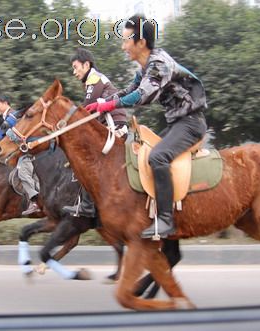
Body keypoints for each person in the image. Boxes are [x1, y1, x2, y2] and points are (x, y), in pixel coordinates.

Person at [85, 15, 208, 238]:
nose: (123, 47)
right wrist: (101, 104)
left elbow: (142, 96)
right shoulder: (144, 68)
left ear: (141, 42)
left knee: (157, 158)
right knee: (142, 154)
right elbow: (127, 91)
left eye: (126, 41)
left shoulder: (159, 64)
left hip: (190, 124)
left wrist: (110, 104)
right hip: (176, 123)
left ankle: (165, 220)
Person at [61, 48, 128, 218]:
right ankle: (89, 204)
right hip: (111, 124)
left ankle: (89, 205)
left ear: (86, 64)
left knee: (87, 159)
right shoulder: (93, 80)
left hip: (114, 127)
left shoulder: (94, 79)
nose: (74, 72)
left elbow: (84, 110)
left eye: (76, 67)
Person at [0, 95, 41, 216]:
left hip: (26, 150)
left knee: (23, 173)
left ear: (5, 103)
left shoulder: (13, 117)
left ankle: (35, 202)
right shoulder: (9, 117)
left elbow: (18, 135)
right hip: (20, 151)